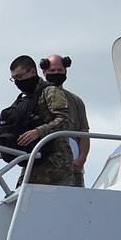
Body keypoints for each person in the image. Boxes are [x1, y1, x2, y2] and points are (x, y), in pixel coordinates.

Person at [3, 55, 76, 185]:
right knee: (21, 197)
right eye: (14, 79)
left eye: (19, 77)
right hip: (34, 159)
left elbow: (65, 120)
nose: (18, 82)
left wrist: (38, 131)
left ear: (32, 71)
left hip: (56, 164)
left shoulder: (51, 91)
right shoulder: (25, 98)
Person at [40, 54, 90, 185]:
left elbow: (84, 132)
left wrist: (82, 159)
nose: (56, 73)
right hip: (44, 161)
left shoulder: (75, 100)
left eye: (60, 70)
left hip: (72, 161)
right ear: (44, 72)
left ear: (65, 71)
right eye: (52, 71)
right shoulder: (36, 97)